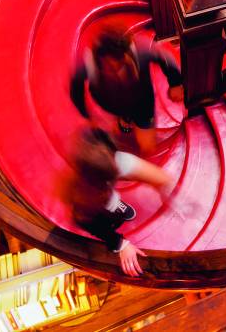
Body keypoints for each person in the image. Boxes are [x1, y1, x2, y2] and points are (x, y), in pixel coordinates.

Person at [61, 125, 173, 276]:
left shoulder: (112, 159)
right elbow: (93, 226)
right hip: (98, 207)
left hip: (104, 193)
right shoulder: (82, 202)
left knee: (112, 201)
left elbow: (160, 177)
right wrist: (121, 244)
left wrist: (164, 188)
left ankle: (115, 206)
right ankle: (114, 208)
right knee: (107, 212)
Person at [70, 29, 184, 156]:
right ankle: (125, 118)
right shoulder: (89, 65)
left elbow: (164, 57)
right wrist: (86, 115)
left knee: (147, 145)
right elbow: (76, 88)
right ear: (100, 60)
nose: (116, 72)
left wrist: (175, 84)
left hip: (142, 105)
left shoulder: (140, 51)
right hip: (114, 105)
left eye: (119, 65)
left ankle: (129, 121)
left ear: (125, 55)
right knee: (123, 122)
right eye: (109, 68)